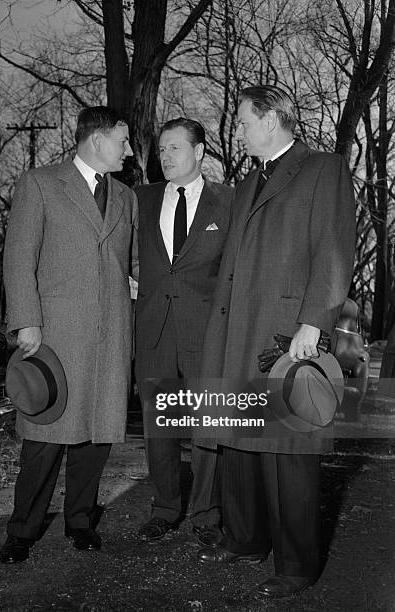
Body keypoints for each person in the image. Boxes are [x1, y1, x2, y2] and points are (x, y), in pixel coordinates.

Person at [196, 85, 356, 598]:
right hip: (238, 331)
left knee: (288, 453)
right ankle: (245, 538)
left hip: (289, 333)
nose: (238, 129)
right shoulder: (246, 183)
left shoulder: (322, 168)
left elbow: (335, 250)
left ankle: (296, 565)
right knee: (240, 444)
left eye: (243, 120)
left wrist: (316, 320)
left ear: (270, 119)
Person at [0, 106, 138, 564]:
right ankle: (22, 528)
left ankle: (80, 521)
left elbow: (129, 263)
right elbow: (19, 258)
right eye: (123, 141)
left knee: (96, 436)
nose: (129, 150)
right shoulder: (40, 184)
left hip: (111, 336)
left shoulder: (126, 197)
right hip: (55, 336)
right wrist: (25, 319)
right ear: (97, 141)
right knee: (45, 438)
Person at [135, 117, 234, 546]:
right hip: (154, 332)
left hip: (207, 334)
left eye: (175, 148)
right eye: (162, 150)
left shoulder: (228, 203)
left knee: (207, 428)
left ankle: (206, 515)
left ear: (200, 152)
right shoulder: (140, 199)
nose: (166, 156)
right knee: (160, 428)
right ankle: (164, 509)